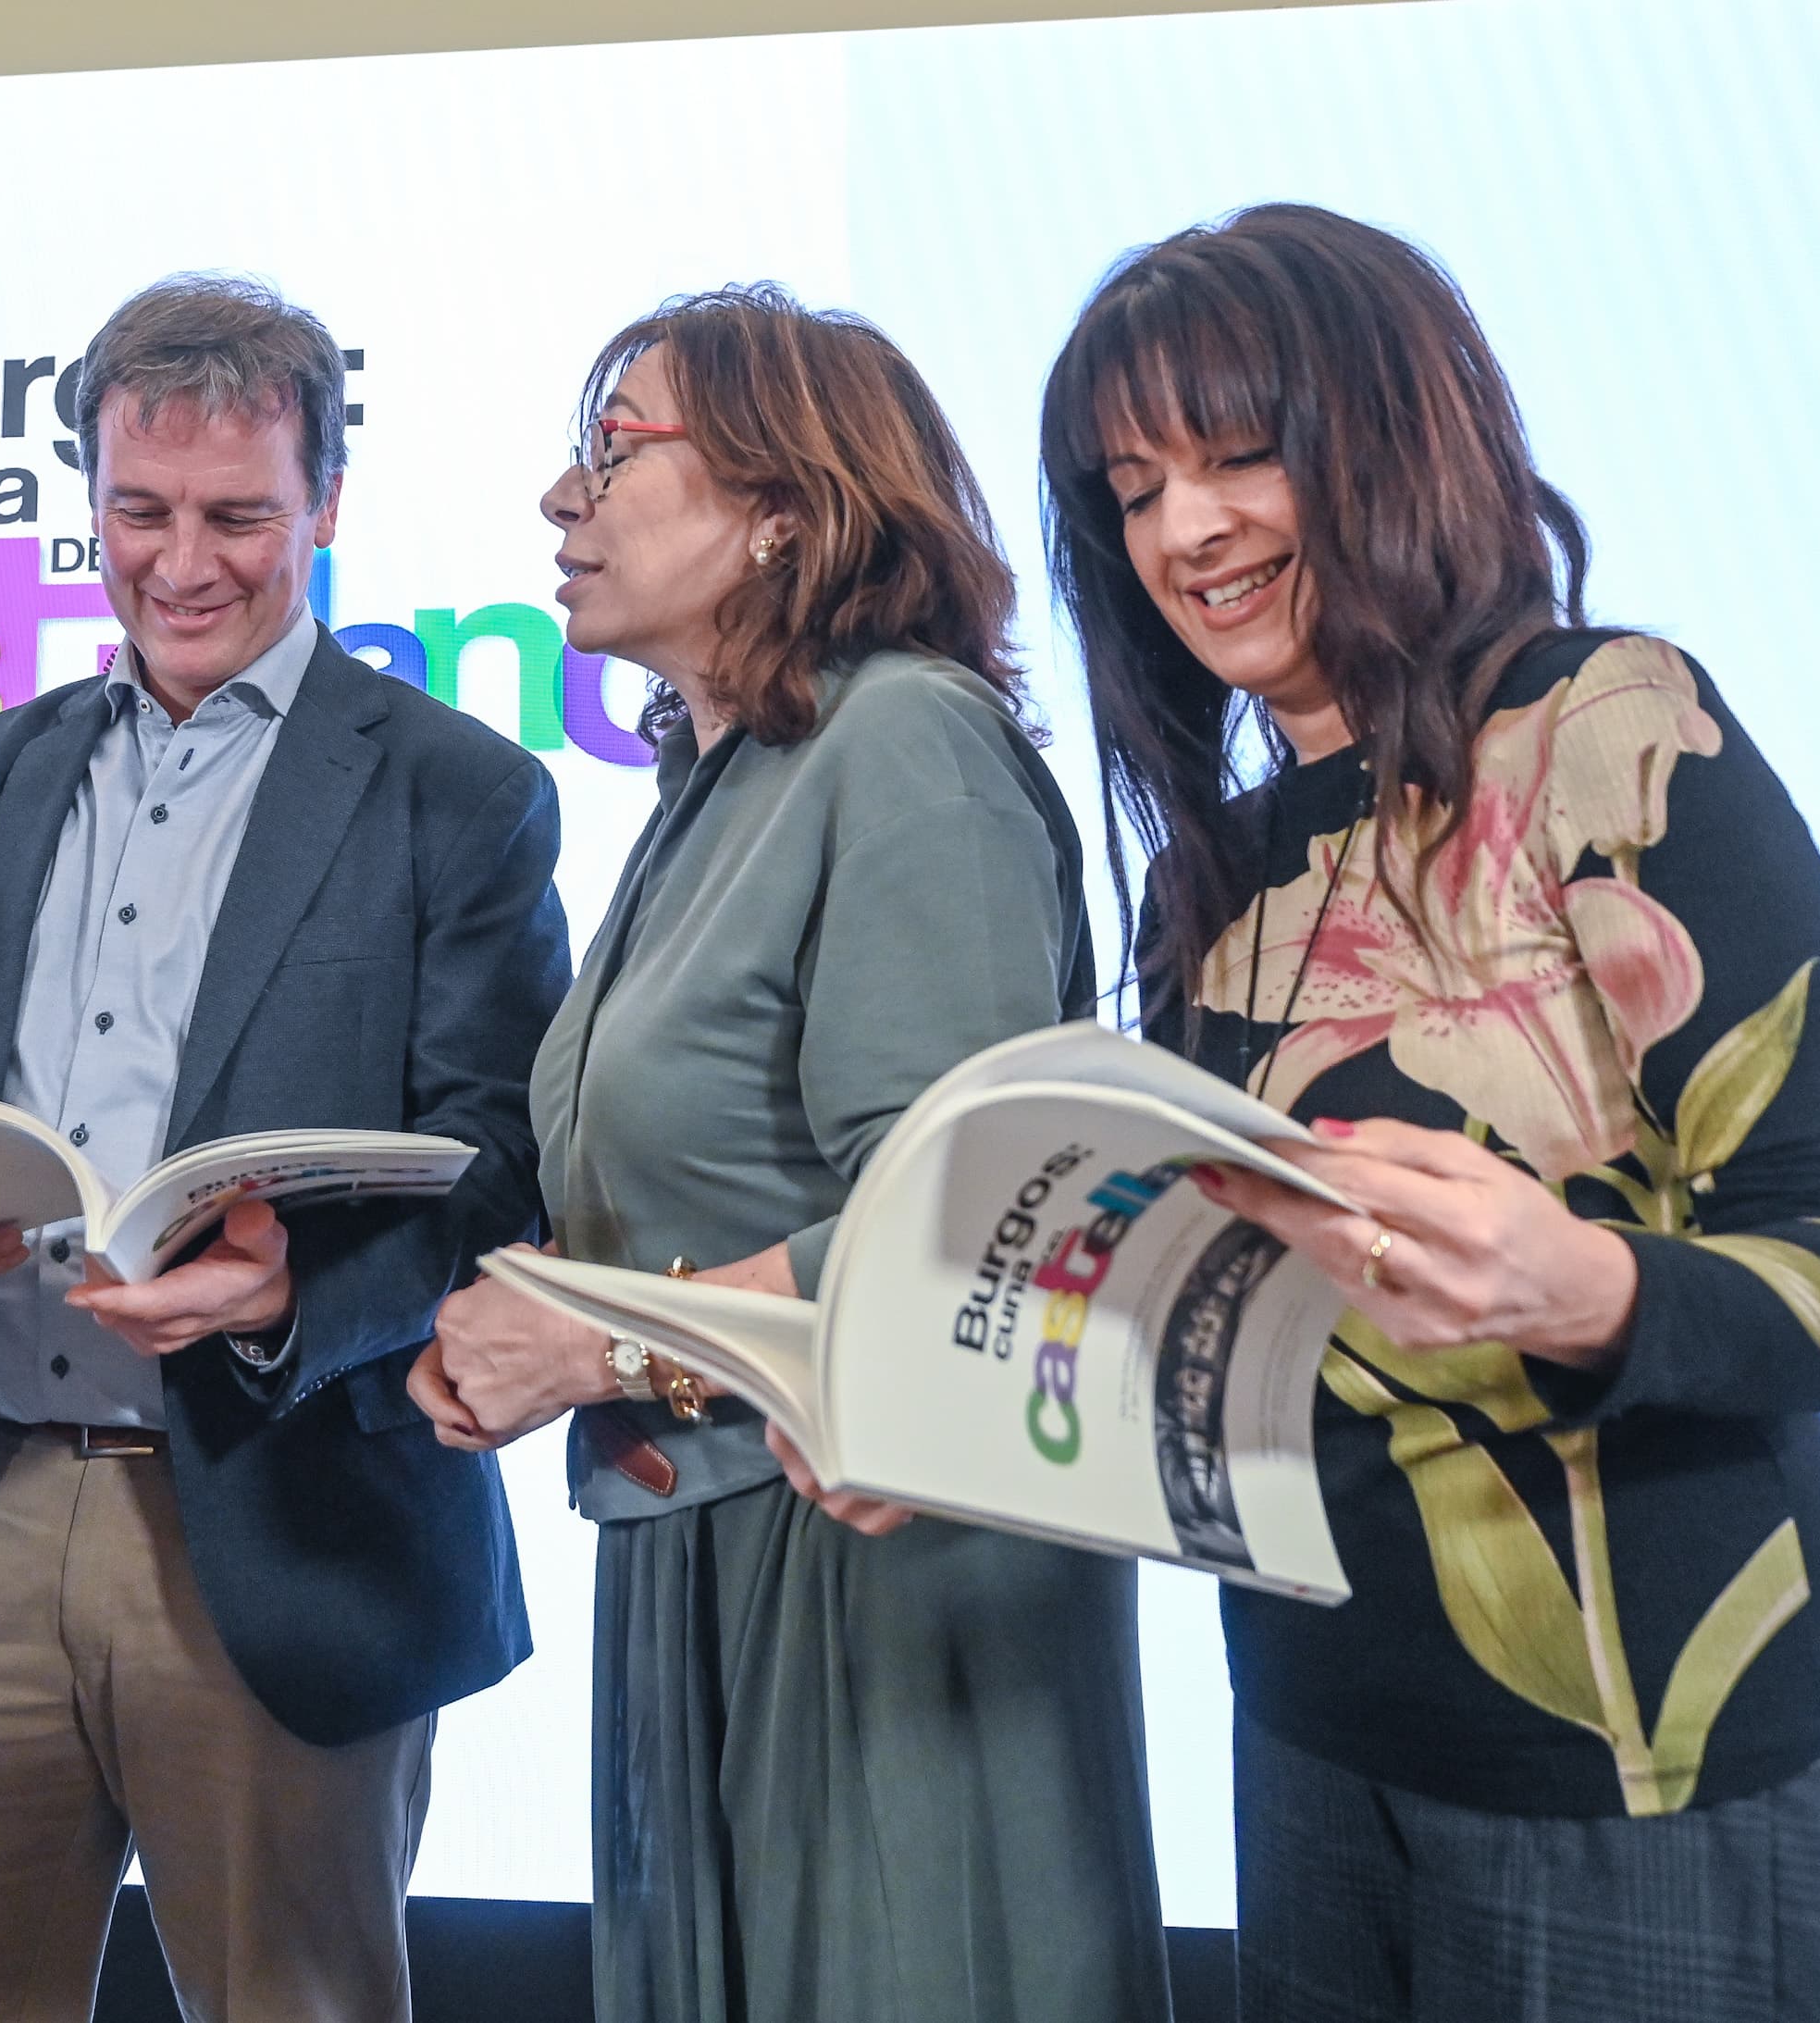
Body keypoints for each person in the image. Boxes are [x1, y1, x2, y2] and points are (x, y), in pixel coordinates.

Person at [1038, 202, 1820, 2022]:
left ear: (1385, 431)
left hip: (1643, 1759)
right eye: (1132, 488)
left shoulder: (1606, 726)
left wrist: (1580, 1286)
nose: (1185, 530)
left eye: (1236, 454)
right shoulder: (1210, 878)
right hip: (1311, 1726)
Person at [0, 274, 570, 2023]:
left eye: (239, 515)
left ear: (329, 507)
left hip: (291, 1521)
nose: (184, 560)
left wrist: (299, 1290)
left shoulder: (460, 789)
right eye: (140, 513)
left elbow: (504, 1157)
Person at [410, 286, 1170, 2023]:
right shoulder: (723, 777)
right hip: (698, 1537)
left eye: (616, 448)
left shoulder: (908, 744)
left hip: (880, 1584)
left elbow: (990, 1234)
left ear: (786, 506)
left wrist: (598, 1342)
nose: (559, 497)